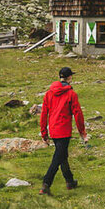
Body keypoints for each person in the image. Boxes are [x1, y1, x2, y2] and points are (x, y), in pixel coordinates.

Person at [39, 66, 87, 194]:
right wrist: (82, 132)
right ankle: (46, 184)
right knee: (58, 158)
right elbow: (78, 114)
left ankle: (70, 181)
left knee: (62, 156)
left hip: (53, 131)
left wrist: (44, 133)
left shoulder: (49, 93)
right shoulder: (71, 94)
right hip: (64, 131)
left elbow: (44, 114)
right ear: (70, 78)